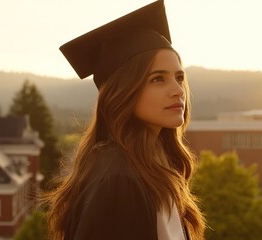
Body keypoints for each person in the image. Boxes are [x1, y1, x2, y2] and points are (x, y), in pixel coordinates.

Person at [44, 0, 206, 239]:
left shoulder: (156, 165)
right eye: (158, 79)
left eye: (179, 78)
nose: (178, 91)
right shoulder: (117, 179)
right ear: (125, 90)